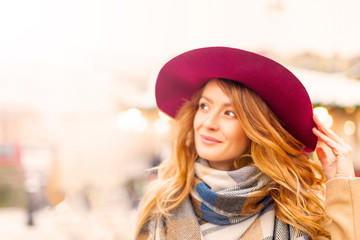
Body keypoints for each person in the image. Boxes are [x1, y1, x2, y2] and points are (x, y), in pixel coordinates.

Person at [135, 47, 360, 240]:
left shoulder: (300, 208)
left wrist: (343, 187)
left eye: (230, 113)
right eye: (204, 106)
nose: (209, 123)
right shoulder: (160, 206)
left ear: (257, 129)